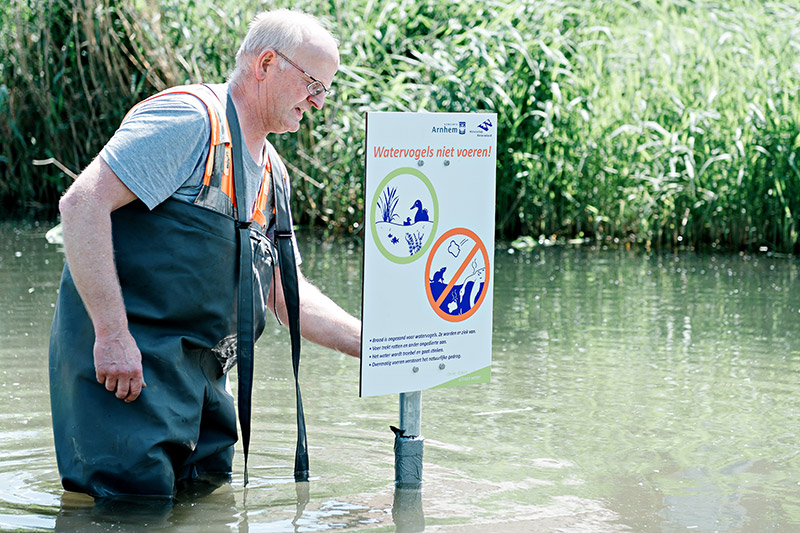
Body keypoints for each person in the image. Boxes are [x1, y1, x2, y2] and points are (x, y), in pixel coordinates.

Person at [49, 8, 361, 500]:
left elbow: (286, 294)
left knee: (205, 506)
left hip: (205, 389)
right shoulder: (190, 120)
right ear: (265, 64)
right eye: (312, 85)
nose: (318, 103)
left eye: (325, 90)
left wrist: (376, 346)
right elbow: (83, 205)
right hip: (128, 373)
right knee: (129, 512)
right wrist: (111, 335)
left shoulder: (274, 173)